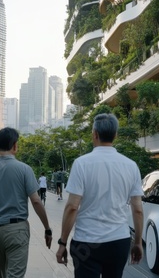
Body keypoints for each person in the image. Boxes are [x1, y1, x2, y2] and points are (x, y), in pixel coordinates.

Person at [55, 113, 144, 277]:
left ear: (94, 134)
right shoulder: (131, 166)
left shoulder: (81, 164)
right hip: (119, 240)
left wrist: (62, 242)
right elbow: (137, 209)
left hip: (87, 243)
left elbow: (72, 207)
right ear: (115, 135)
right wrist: (138, 242)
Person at [0, 127, 53, 278]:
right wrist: (47, 228)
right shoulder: (24, 169)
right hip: (17, 230)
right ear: (15, 145)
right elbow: (35, 201)